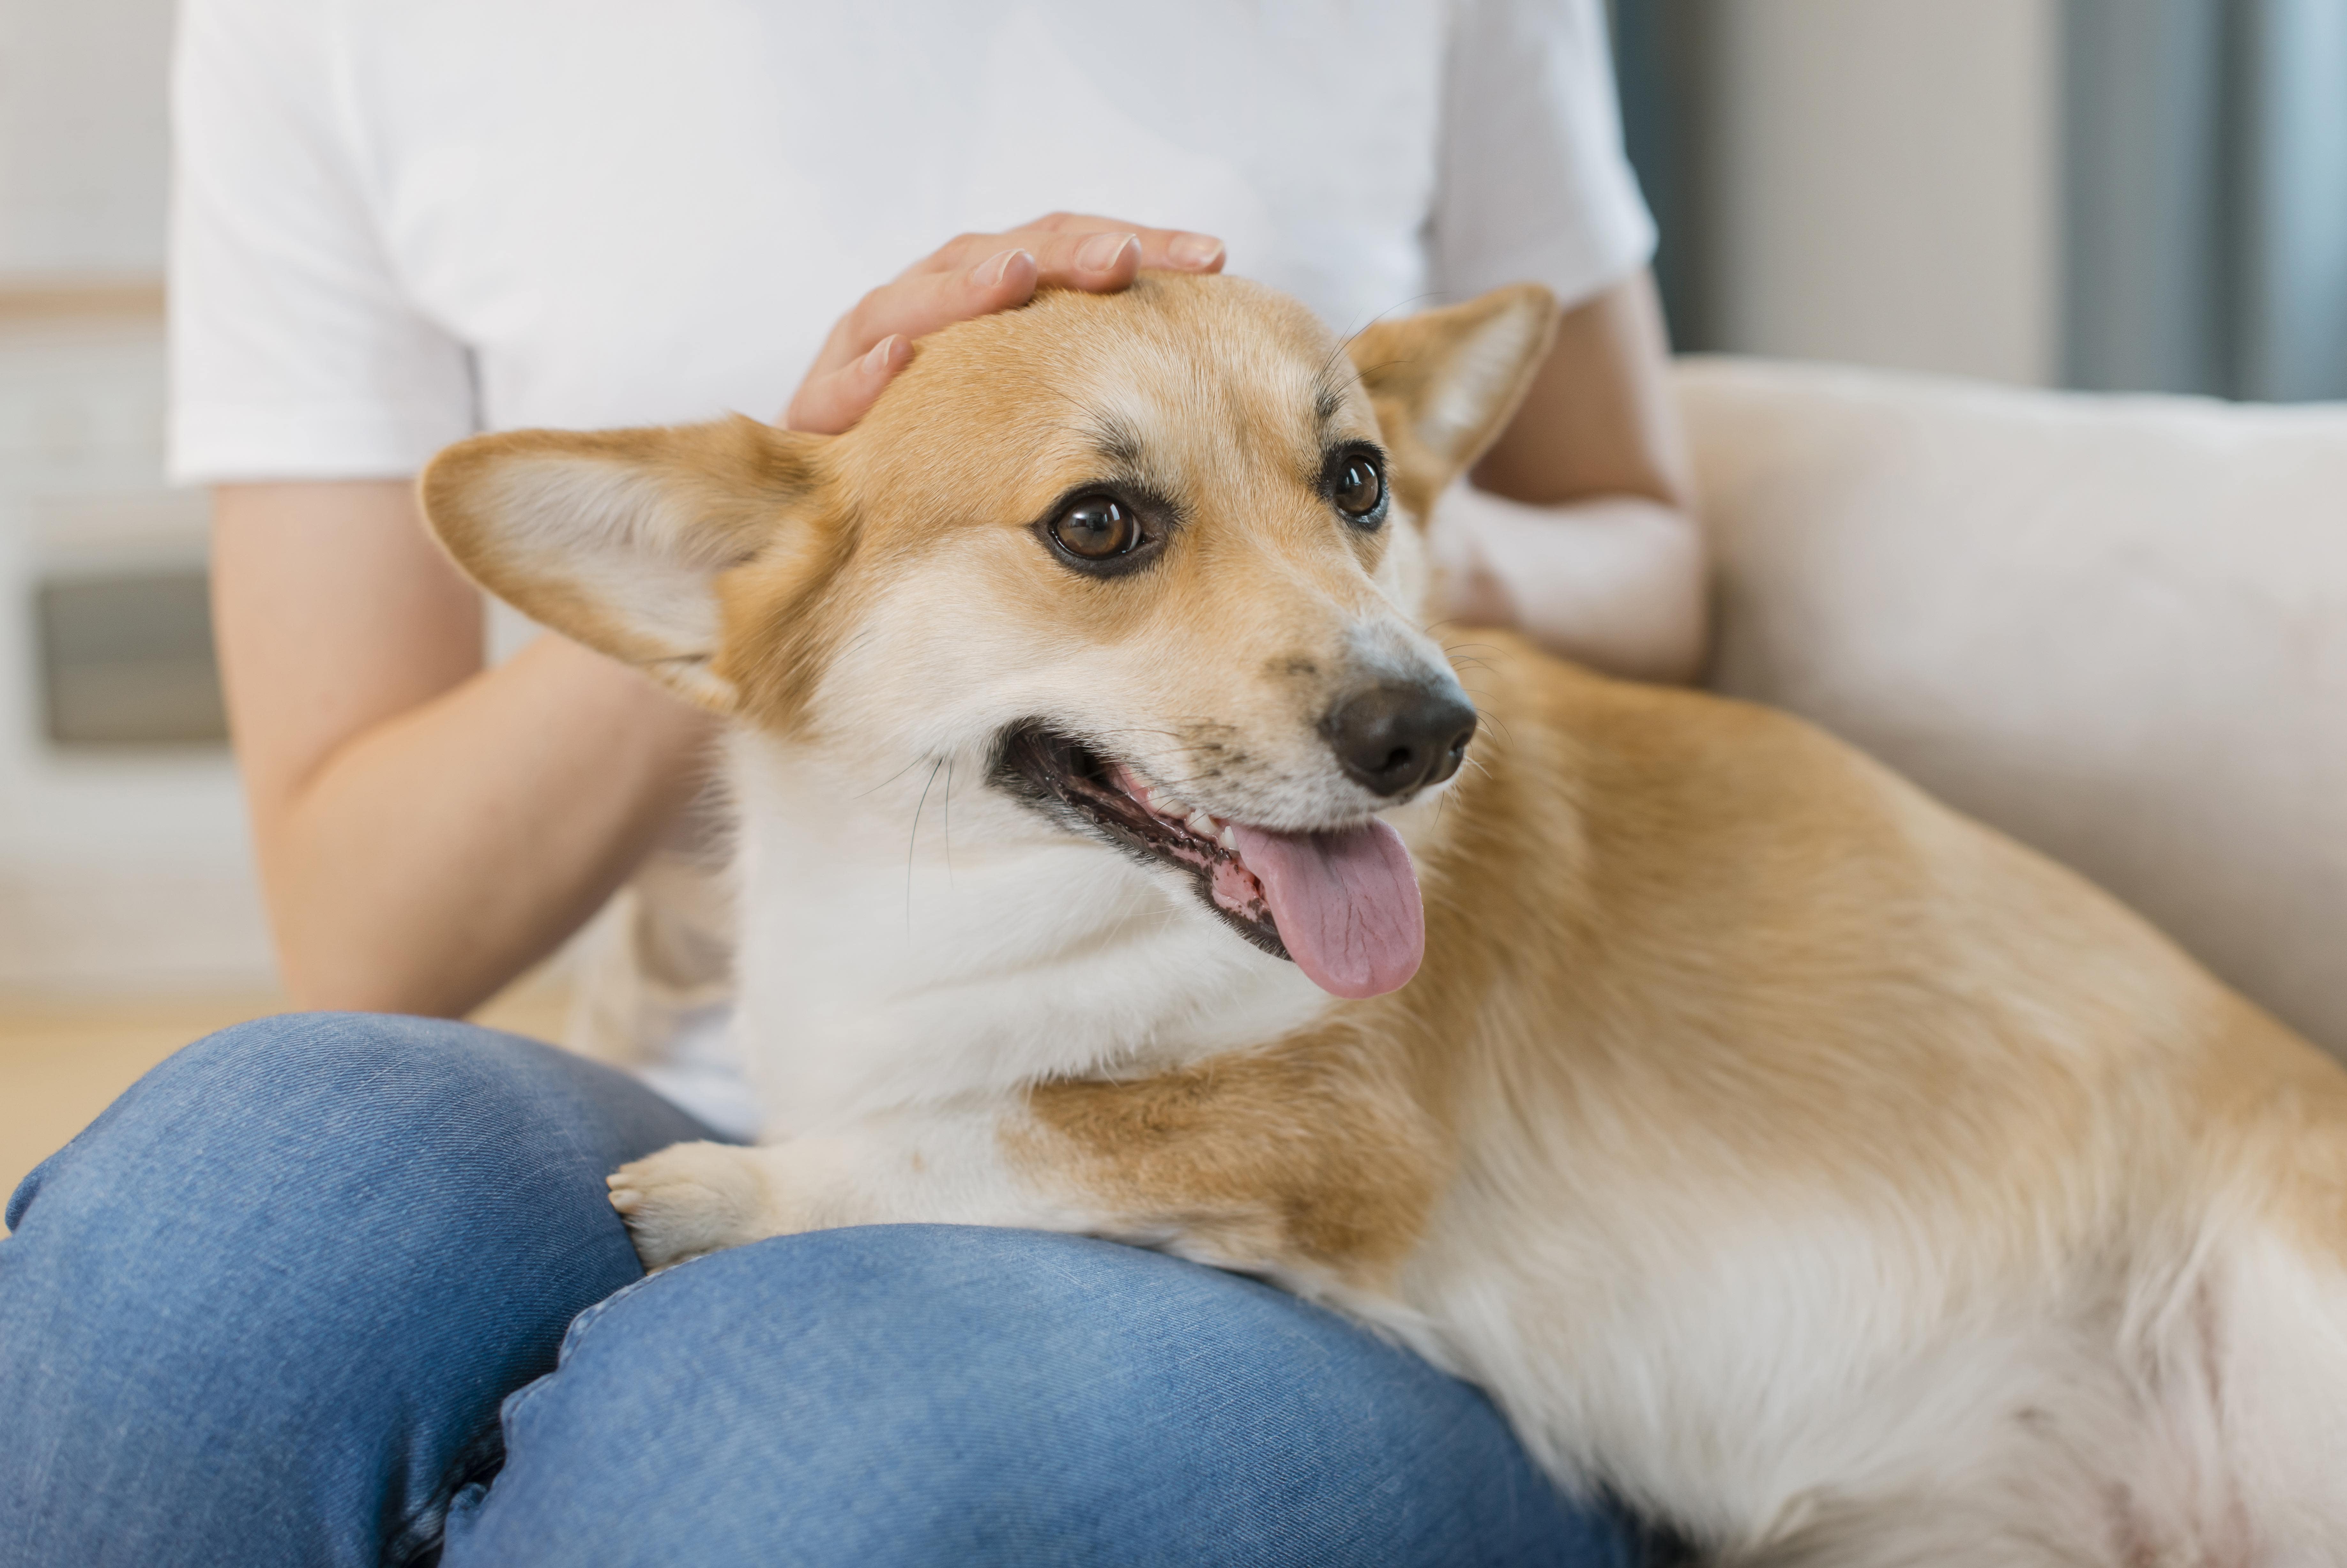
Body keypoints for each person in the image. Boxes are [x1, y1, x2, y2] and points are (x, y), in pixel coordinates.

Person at [0, 2, 1703, 1563]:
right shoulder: (333, 35)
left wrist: (1343, 574)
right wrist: (765, 568)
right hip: (741, 1076)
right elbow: (365, 933)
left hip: (1302, 1173)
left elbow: (1650, 551)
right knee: (211, 1228)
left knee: (773, 1447)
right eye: (1104, 527)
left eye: (1340, 475)